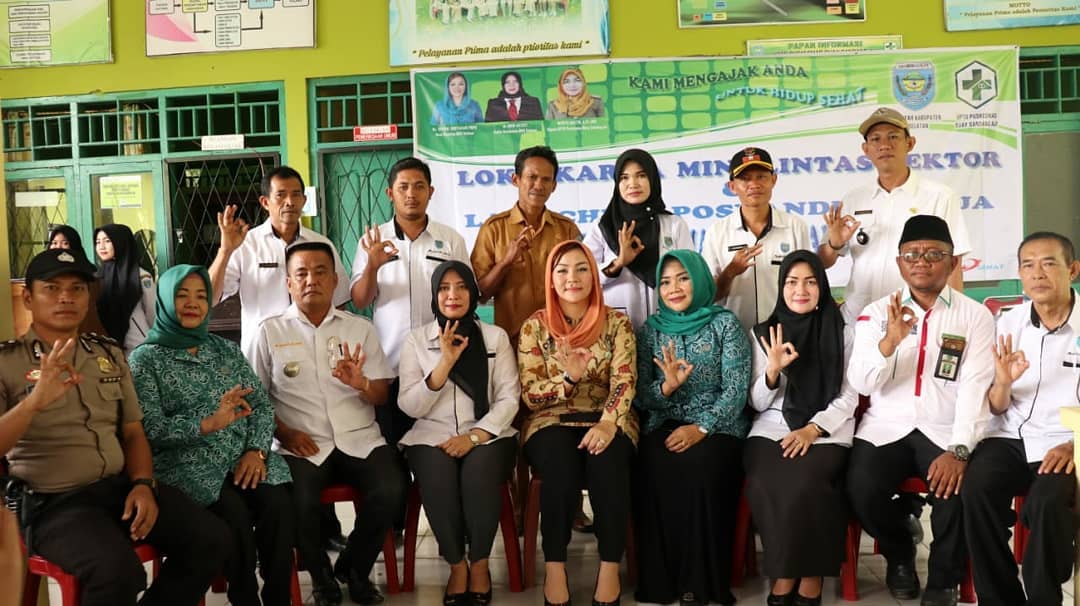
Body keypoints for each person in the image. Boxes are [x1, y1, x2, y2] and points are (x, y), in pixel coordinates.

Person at [0, 248, 229, 606]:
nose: (66, 297)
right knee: (118, 572)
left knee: (212, 538)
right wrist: (34, 403)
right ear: (28, 297)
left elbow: (133, 432)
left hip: (118, 489)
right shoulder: (6, 362)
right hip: (54, 505)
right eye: (52, 288)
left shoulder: (107, 354)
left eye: (77, 289)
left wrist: (143, 484)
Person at [845, 216, 995, 606]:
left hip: (945, 428)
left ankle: (944, 580)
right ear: (899, 263)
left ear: (953, 262)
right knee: (861, 486)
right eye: (911, 254)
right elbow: (861, 383)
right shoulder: (877, 313)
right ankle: (900, 551)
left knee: (956, 489)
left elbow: (975, 387)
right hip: (885, 427)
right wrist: (889, 343)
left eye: (934, 254)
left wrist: (960, 449)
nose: (921, 261)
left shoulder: (975, 316)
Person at [129, 265, 295, 606]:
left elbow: (261, 406)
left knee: (278, 504)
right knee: (233, 513)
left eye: (201, 296)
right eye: (182, 295)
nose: (192, 303)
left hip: (241, 457)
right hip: (186, 467)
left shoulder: (224, 350)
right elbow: (150, 429)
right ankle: (245, 598)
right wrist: (205, 424)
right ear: (164, 301)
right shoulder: (145, 360)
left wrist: (255, 451)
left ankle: (279, 597)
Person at [253, 241, 407, 606]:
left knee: (392, 488)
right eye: (301, 274)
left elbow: (381, 396)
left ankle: (354, 568)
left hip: (359, 437)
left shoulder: (360, 329)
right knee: (298, 500)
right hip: (301, 442)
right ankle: (321, 579)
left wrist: (361, 383)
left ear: (335, 280)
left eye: (320, 272)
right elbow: (256, 400)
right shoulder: (269, 332)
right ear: (289, 283)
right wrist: (284, 432)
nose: (311, 280)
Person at [961, 231, 1080, 606]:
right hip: (1010, 436)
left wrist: (1074, 444)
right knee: (976, 488)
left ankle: (1044, 598)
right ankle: (999, 599)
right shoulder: (1007, 324)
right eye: (1028, 265)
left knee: (1047, 502)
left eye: (1049, 264)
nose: (1037, 273)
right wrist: (1003, 382)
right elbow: (997, 407)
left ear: (1072, 270)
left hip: (1066, 440)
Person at [518, 240, 637, 606]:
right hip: (551, 419)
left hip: (608, 416)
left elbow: (624, 379)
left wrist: (609, 423)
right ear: (551, 279)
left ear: (594, 276)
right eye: (563, 270)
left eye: (582, 268)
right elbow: (531, 395)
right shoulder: (535, 327)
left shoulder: (617, 323)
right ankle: (555, 567)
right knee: (559, 466)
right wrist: (567, 380)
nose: (573, 277)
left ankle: (609, 566)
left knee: (608, 462)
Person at [633, 249, 751, 606]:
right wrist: (666, 387)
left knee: (701, 467)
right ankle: (659, 582)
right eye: (666, 281)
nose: (674, 288)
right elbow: (641, 396)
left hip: (719, 426)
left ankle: (700, 583)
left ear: (699, 281)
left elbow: (735, 390)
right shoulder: (651, 330)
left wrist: (701, 428)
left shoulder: (725, 325)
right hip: (664, 419)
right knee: (653, 463)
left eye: (683, 278)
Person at [397, 261, 519, 606]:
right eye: (444, 288)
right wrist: (445, 363)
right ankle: (456, 565)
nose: (453, 295)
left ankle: (479, 564)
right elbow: (409, 405)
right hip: (430, 434)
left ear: (474, 292)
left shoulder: (494, 337)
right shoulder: (416, 340)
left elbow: (509, 398)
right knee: (437, 477)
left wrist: (476, 436)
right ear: (434, 295)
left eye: (462, 286)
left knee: (479, 475)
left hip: (489, 433)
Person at [744, 251, 859, 606]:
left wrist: (813, 429)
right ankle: (785, 573)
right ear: (782, 287)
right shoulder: (764, 332)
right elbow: (757, 402)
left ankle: (811, 575)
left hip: (827, 428)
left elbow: (849, 396)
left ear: (822, 287)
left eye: (810, 282)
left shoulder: (843, 332)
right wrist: (772, 371)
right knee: (764, 480)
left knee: (807, 482)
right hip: (772, 425)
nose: (801, 290)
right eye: (792, 282)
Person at [350, 156, 469, 446]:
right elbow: (360, 300)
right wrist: (372, 266)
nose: (411, 194)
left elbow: (467, 295)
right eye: (403, 187)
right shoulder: (374, 240)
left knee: (434, 449)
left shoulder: (450, 239)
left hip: (438, 365)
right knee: (392, 448)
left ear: (431, 191)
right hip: (388, 364)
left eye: (419, 186)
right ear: (390, 193)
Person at [818, 107, 972, 325]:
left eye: (893, 137)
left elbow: (953, 267)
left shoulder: (940, 197)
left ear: (910, 143)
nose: (884, 145)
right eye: (876, 139)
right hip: (860, 320)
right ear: (866, 149)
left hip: (915, 322)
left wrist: (953, 324)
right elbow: (823, 262)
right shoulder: (853, 200)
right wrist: (834, 244)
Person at [208, 165, 351, 361]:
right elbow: (210, 297)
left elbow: (339, 301)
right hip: (262, 353)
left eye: (296, 195)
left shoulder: (321, 245)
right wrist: (225, 251)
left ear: (304, 200)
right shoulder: (247, 244)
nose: (289, 202)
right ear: (265, 202)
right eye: (281, 195)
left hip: (313, 352)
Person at [472, 145, 581, 348]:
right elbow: (480, 294)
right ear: (516, 179)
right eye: (532, 177)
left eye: (546, 179)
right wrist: (505, 262)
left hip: (561, 342)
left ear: (554, 185)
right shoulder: (494, 229)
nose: (538, 185)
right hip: (511, 344)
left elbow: (583, 285)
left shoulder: (567, 229)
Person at [701, 147, 811, 330]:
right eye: (745, 179)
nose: (754, 184)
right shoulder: (717, 232)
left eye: (761, 176)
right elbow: (708, 297)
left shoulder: (795, 227)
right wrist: (730, 271)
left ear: (773, 180)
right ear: (732, 186)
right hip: (734, 336)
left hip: (785, 333)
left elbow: (808, 285)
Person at [585, 148, 693, 329]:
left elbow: (691, 275)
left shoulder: (673, 224)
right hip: (615, 330)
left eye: (641, 175)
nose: (633, 184)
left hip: (668, 328)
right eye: (624, 177)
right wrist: (618, 263)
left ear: (652, 179)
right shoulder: (603, 227)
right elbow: (584, 277)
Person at [94, 223, 155, 353]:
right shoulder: (97, 277)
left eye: (107, 241)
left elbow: (152, 312)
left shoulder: (141, 276)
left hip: (137, 346)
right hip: (106, 347)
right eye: (98, 242)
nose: (101, 246)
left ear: (120, 242)